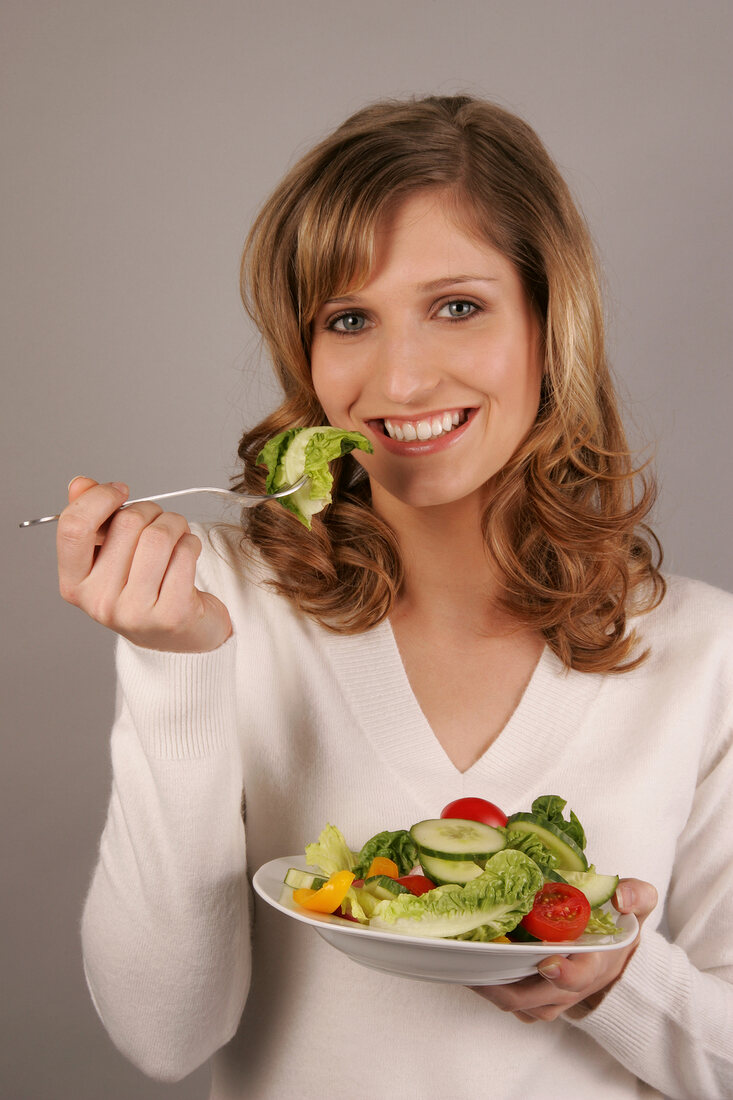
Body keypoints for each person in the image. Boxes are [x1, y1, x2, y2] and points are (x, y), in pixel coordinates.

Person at [57, 96, 732, 1099]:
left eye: (457, 305)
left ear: (550, 321)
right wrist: (178, 667)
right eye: (348, 319)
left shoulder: (702, 648)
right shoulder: (216, 601)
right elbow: (165, 1035)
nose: (402, 378)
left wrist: (618, 979)